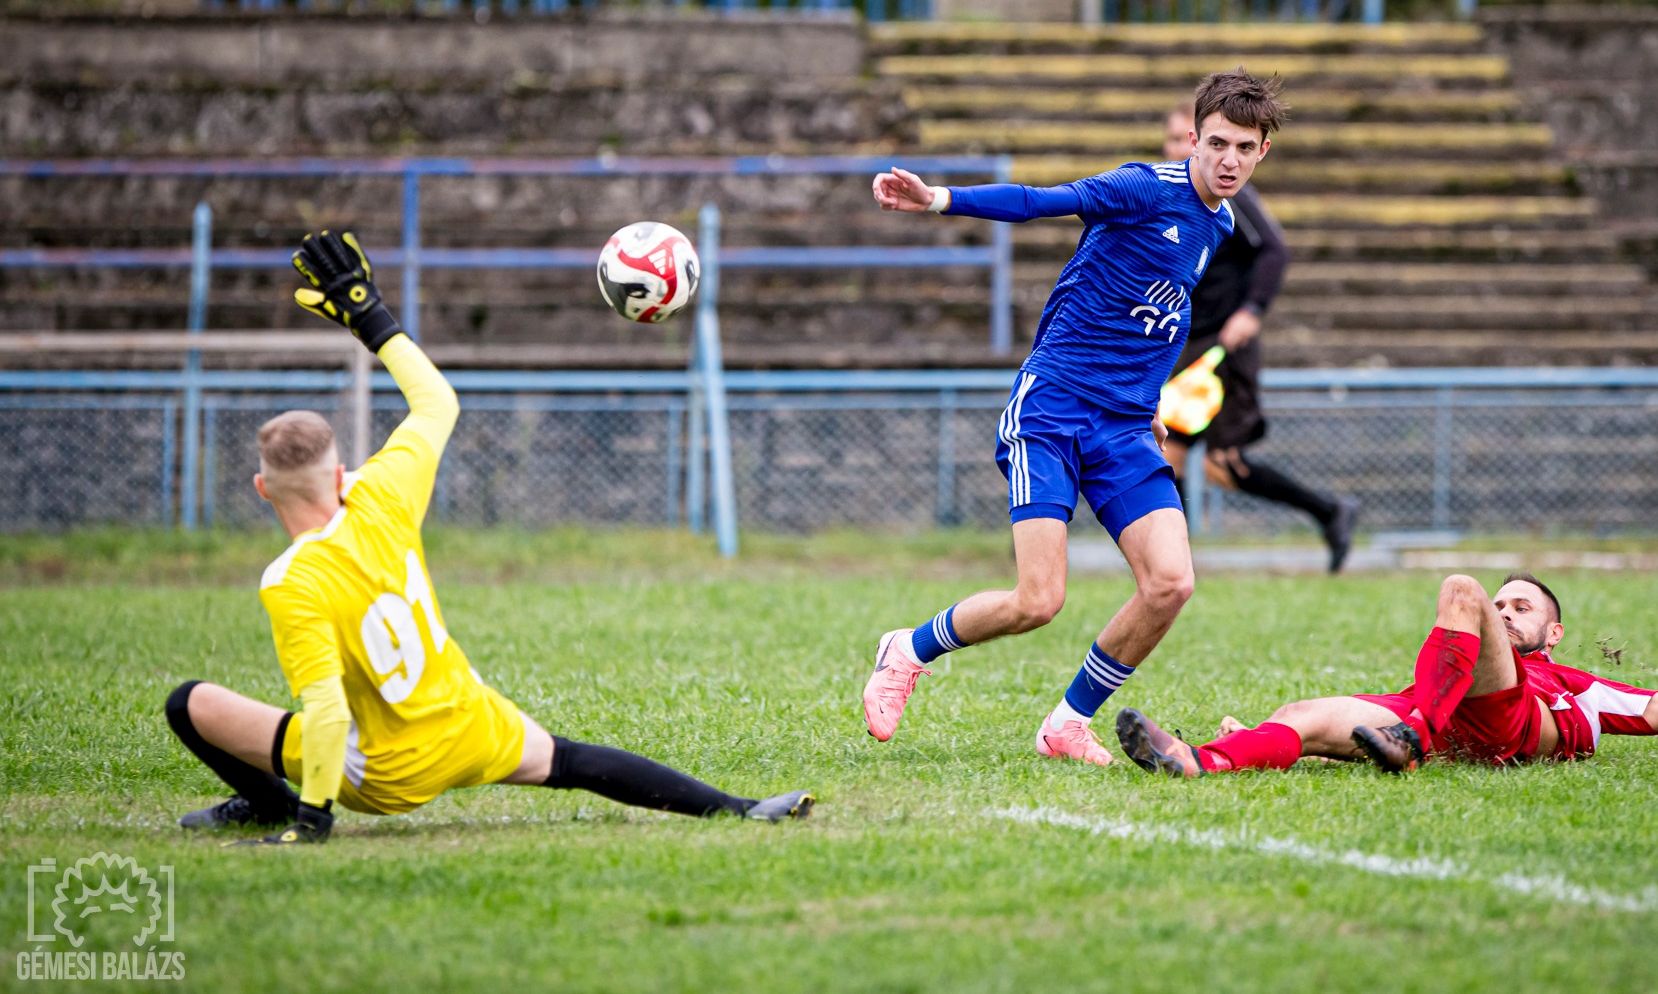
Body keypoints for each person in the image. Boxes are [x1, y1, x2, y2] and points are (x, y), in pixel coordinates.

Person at [166, 230, 811, 844]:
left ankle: (268, 803)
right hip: (468, 724)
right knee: (570, 760)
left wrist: (312, 822)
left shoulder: (291, 579)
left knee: (187, 702)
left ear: (261, 488)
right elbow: (436, 402)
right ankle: (742, 808)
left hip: (384, 775)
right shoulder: (380, 492)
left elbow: (329, 715)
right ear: (339, 474)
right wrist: (370, 315)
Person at [860, 70, 1279, 765]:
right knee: (1038, 600)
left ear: (1263, 151)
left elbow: (1162, 320)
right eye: (1216, 143)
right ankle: (906, 649)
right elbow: (1037, 201)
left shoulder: (1222, 223)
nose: (1228, 159)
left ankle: (1065, 725)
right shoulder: (1145, 187)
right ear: (1194, 138)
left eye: (1244, 147)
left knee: (1171, 582)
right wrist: (939, 199)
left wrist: (1148, 406)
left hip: (1122, 426)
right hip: (1053, 406)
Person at [1115, 571, 1658, 776]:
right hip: (1441, 713)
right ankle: (1202, 761)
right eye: (1501, 604)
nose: (1504, 609)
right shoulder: (1460, 662)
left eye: (1520, 607)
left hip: (1496, 722)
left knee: (1455, 587)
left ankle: (1411, 736)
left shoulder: (1578, 685)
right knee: (1306, 712)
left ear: (1553, 630)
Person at [1158, 102, 1359, 571]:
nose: (1173, 147)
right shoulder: (1173, 192)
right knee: (1205, 460)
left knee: (1192, 456)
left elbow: (1274, 249)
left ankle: (1169, 570)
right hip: (1189, 342)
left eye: (1181, 136)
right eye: (1169, 138)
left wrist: (1252, 310)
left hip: (1223, 346)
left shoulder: (1229, 193)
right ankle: (1328, 511)